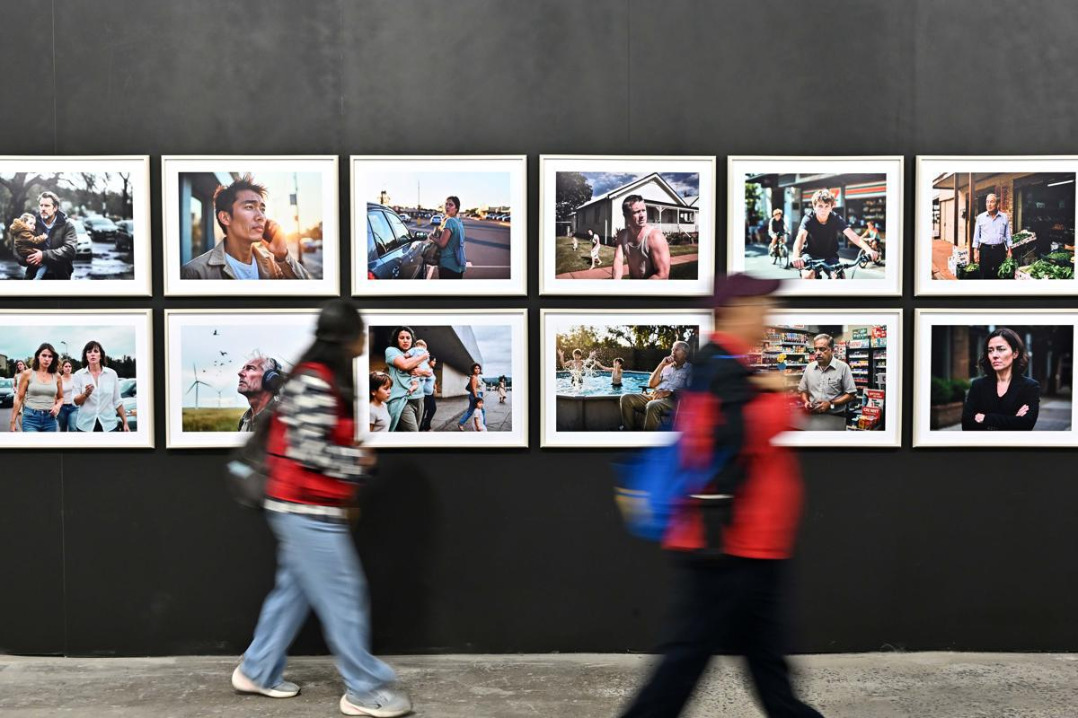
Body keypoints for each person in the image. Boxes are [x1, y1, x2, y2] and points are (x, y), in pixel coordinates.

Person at [617, 272, 824, 718]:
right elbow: (720, 437)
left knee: (765, 664)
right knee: (684, 663)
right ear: (737, 311)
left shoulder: (730, 369)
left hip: (744, 544)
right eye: (762, 306)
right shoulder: (721, 369)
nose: (770, 316)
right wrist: (777, 398)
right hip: (727, 546)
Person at [233, 298, 413, 717]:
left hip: (298, 506)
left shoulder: (314, 375)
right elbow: (309, 450)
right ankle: (364, 691)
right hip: (305, 508)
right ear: (348, 337)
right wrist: (359, 461)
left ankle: (257, 670)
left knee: (291, 595)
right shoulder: (316, 380)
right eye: (360, 332)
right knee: (344, 598)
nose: (364, 339)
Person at [180, 175, 311, 280]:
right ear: (225, 218)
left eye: (262, 209)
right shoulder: (194, 273)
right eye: (249, 207)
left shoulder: (273, 263)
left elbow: (308, 296)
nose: (261, 216)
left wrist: (282, 255)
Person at [961, 328, 1039, 430]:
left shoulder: (1029, 386)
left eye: (1001, 349)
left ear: (1015, 353)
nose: (994, 355)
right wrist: (1012, 419)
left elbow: (1025, 424)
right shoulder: (978, 385)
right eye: (990, 350)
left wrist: (986, 418)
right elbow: (967, 424)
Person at [791, 189, 878, 278]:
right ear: (814, 207)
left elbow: (852, 235)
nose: (823, 210)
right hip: (810, 255)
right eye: (820, 206)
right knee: (808, 275)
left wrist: (868, 250)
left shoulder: (835, 218)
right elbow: (801, 236)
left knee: (840, 277)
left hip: (830, 256)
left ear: (831, 207)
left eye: (826, 206)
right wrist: (796, 256)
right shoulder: (808, 218)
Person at [619, 341, 693, 431]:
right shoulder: (666, 367)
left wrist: (668, 393)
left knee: (652, 405)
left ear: (685, 354)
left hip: (673, 401)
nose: (673, 352)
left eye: (676, 350)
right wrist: (661, 365)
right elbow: (651, 384)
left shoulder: (690, 369)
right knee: (626, 398)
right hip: (654, 395)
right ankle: (628, 432)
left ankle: (648, 439)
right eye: (672, 349)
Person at [797, 333, 857, 431]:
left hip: (835, 416)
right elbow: (803, 390)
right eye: (815, 349)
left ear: (832, 350)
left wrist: (830, 403)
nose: (817, 353)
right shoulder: (809, 367)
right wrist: (806, 402)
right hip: (813, 415)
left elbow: (851, 394)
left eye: (822, 349)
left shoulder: (843, 367)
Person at [71, 340, 130, 433]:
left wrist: (125, 422)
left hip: (109, 425)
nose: (92, 354)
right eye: (89, 352)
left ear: (101, 355)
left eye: (96, 351)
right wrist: (86, 394)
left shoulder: (112, 374)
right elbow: (75, 401)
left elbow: (117, 401)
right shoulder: (78, 375)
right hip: (85, 426)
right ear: (86, 356)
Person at [18, 191, 77, 280]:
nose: (43, 208)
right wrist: (25, 259)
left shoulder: (67, 225)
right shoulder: (33, 223)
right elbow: (18, 244)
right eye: (41, 205)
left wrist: (44, 255)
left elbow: (70, 250)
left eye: (47, 205)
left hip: (60, 277)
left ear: (55, 208)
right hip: (34, 276)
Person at [612, 195, 672, 280]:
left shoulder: (655, 237)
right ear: (626, 216)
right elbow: (618, 261)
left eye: (643, 210)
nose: (642, 215)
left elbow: (663, 275)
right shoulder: (622, 235)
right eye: (636, 212)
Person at [11, 343, 62, 432]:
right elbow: (19, 398)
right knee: (33, 445)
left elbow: (61, 397)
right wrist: (13, 421)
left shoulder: (57, 376)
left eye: (50, 356)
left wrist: (57, 406)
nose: (47, 359)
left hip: (50, 419)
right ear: (38, 356)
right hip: (30, 418)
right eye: (44, 355)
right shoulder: (27, 374)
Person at [384, 326, 427, 431]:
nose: (405, 340)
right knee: (413, 433)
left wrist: (421, 371)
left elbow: (427, 372)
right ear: (396, 339)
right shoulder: (391, 351)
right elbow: (404, 365)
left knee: (412, 432)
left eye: (408, 338)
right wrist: (423, 356)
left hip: (420, 398)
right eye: (401, 337)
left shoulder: (414, 353)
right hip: (403, 400)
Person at [237, 356, 284, 432]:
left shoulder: (283, 418)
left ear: (270, 378)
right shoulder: (244, 420)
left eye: (250, 368)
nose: (240, 373)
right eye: (243, 368)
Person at [973, 193, 1013, 280]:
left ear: (997, 204)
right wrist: (975, 252)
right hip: (985, 250)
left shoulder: (1004, 217)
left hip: (1000, 250)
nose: (989, 204)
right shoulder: (980, 217)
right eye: (987, 202)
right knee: (985, 274)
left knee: (999, 274)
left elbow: (1008, 235)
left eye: (991, 202)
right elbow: (976, 236)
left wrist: (1009, 250)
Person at [430, 195, 467, 279]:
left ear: (456, 208)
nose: (447, 206)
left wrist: (432, 237)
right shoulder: (459, 221)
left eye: (451, 205)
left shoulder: (449, 221)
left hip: (448, 266)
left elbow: (442, 244)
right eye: (446, 204)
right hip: (458, 266)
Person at [9, 213, 49, 279]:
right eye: (31, 223)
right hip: (29, 254)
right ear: (23, 223)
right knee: (43, 265)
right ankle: (37, 278)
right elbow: (33, 240)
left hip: (30, 252)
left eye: (34, 224)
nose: (33, 226)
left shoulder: (21, 230)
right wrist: (43, 237)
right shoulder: (24, 232)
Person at [456, 362, 483, 431]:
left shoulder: (477, 377)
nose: (477, 369)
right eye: (475, 368)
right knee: (473, 411)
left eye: (478, 368)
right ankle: (461, 423)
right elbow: (473, 389)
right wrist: (477, 398)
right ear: (473, 370)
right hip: (475, 395)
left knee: (473, 411)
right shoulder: (474, 377)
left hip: (478, 394)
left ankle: (461, 423)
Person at [57, 359, 78, 432]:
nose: (68, 368)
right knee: (63, 429)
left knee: (73, 427)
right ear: (62, 368)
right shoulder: (59, 379)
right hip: (62, 407)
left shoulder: (75, 377)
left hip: (74, 407)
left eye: (69, 366)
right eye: (66, 366)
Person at [418, 358, 439, 432]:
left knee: (432, 409)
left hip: (430, 394)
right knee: (423, 411)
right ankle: (421, 427)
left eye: (435, 361)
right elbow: (421, 379)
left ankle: (426, 425)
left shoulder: (431, 370)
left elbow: (433, 381)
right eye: (433, 361)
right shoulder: (425, 369)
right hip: (424, 394)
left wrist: (435, 388)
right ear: (429, 361)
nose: (435, 362)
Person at [9, 359, 28, 431]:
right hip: (18, 395)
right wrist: (15, 389)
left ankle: (27, 427)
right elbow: (14, 385)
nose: (19, 366)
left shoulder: (28, 374)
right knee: (19, 412)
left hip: (27, 396)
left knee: (27, 412)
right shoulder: (16, 375)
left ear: (24, 365)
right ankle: (22, 429)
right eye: (18, 365)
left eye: (21, 364)